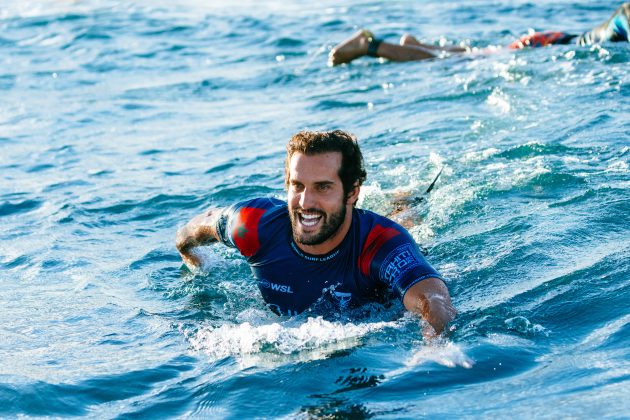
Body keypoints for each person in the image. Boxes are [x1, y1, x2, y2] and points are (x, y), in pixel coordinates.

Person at [176, 130, 456, 335]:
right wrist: (189, 253)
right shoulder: (254, 224)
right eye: (297, 185)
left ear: (352, 192)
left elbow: (434, 300)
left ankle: (405, 203)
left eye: (323, 187)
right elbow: (195, 229)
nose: (305, 202)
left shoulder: (382, 243)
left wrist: (433, 348)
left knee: (407, 225)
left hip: (374, 244)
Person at [328, 3, 630, 66]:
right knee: (439, 61)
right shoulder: (626, 16)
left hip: (550, 40)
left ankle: (416, 45)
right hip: (543, 45)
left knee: (472, 55)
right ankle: (371, 46)